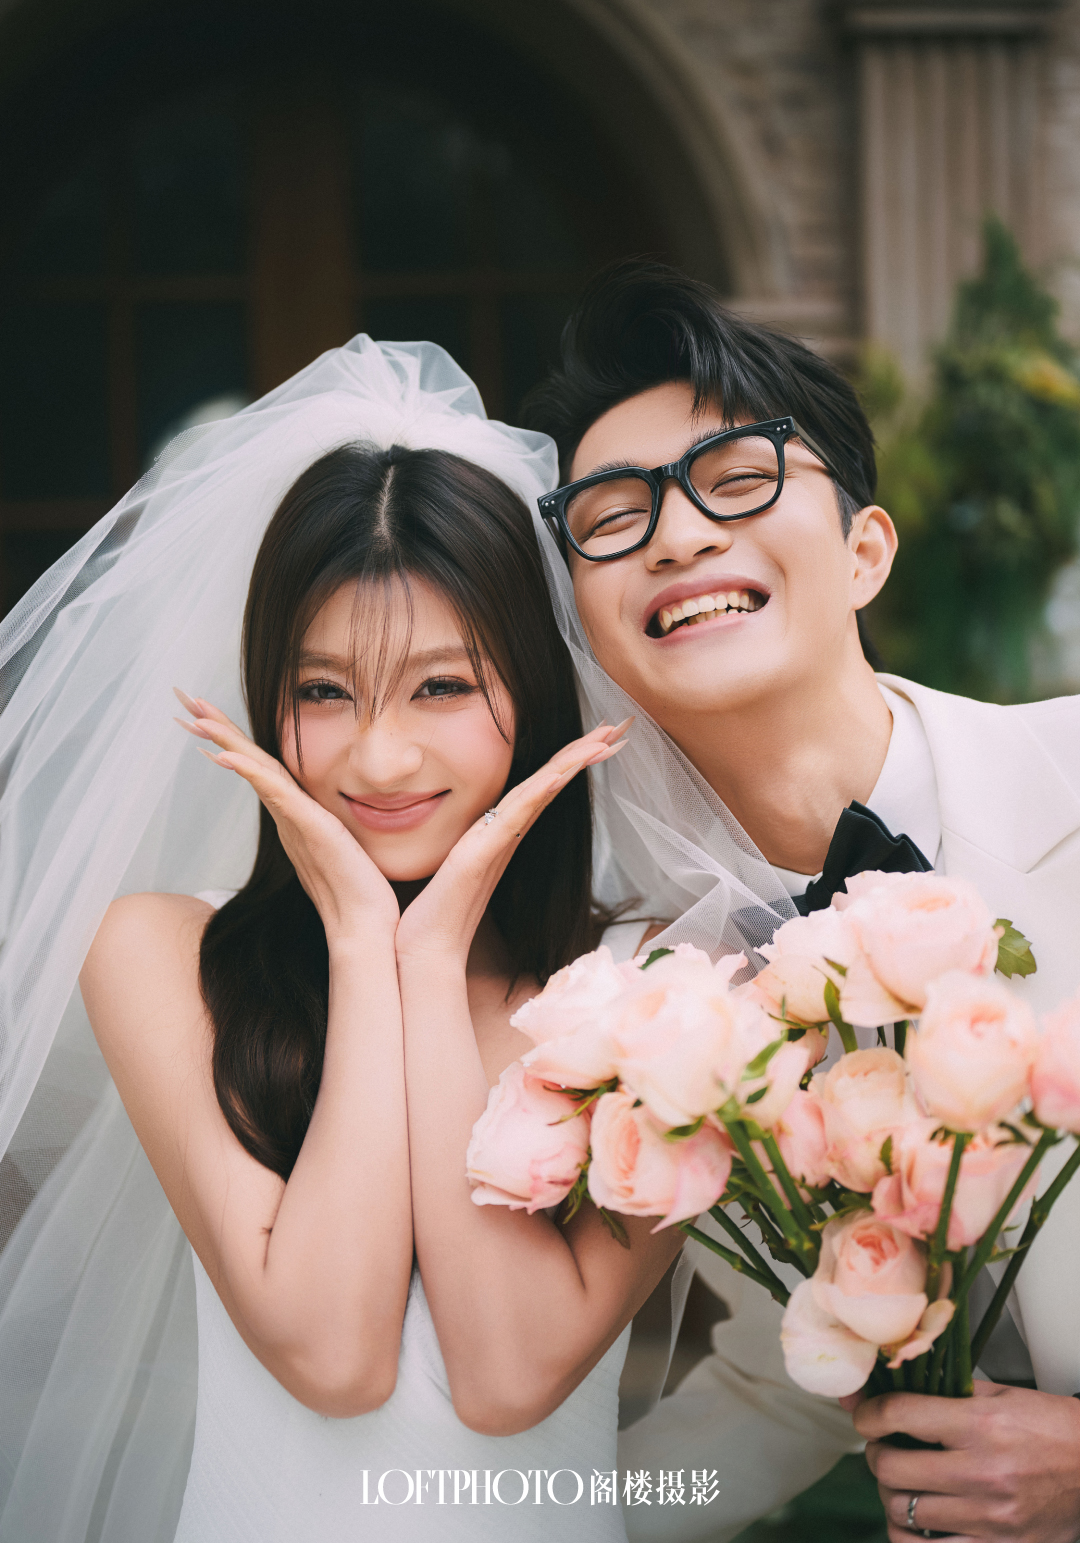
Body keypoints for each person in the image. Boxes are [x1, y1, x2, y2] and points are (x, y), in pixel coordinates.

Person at [0, 339, 684, 1543]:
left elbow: (507, 1379)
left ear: (535, 691)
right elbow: (333, 1354)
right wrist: (370, 950)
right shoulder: (159, 955)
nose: (378, 758)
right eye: (324, 692)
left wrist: (431, 958)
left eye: (441, 688)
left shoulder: (664, 984)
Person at [522, 260, 1080, 1543]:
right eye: (613, 515)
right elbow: (785, 1377)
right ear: (587, 627)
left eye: (737, 480)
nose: (677, 536)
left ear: (866, 552)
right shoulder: (650, 994)